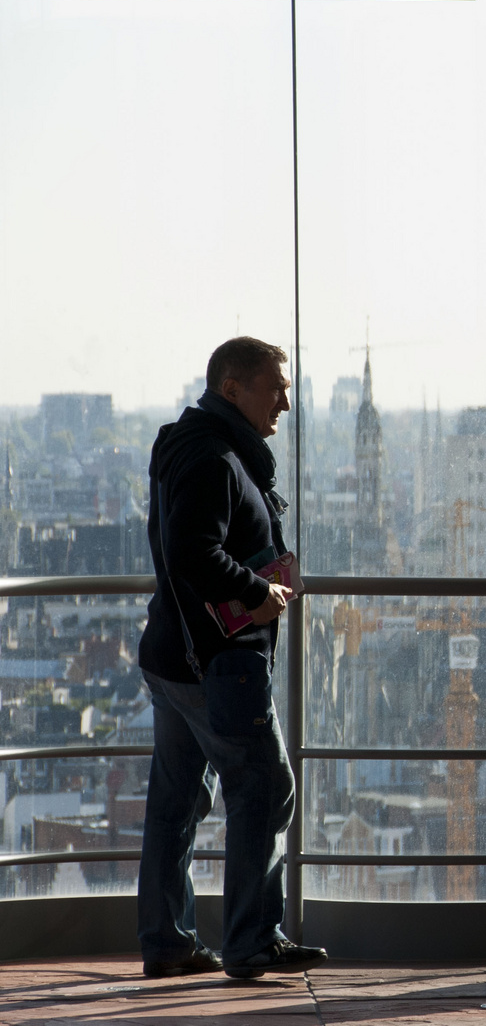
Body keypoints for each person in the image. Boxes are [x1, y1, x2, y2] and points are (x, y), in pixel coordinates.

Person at [137, 336, 327, 979]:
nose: (286, 402)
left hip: (173, 654)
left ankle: (168, 942)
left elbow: (180, 550)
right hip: (220, 661)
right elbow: (195, 552)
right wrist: (260, 590)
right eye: (275, 387)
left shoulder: (187, 443)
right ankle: (251, 940)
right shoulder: (217, 459)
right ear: (232, 389)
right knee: (266, 789)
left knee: (177, 800)